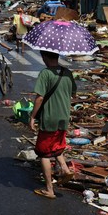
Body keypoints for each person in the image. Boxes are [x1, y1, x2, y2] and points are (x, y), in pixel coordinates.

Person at [28, 50, 76, 199]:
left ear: (44, 57)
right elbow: (73, 94)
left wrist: (32, 116)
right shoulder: (67, 72)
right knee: (56, 146)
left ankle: (49, 189)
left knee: (43, 153)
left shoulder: (46, 73)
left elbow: (40, 98)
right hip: (63, 117)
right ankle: (65, 170)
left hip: (49, 118)